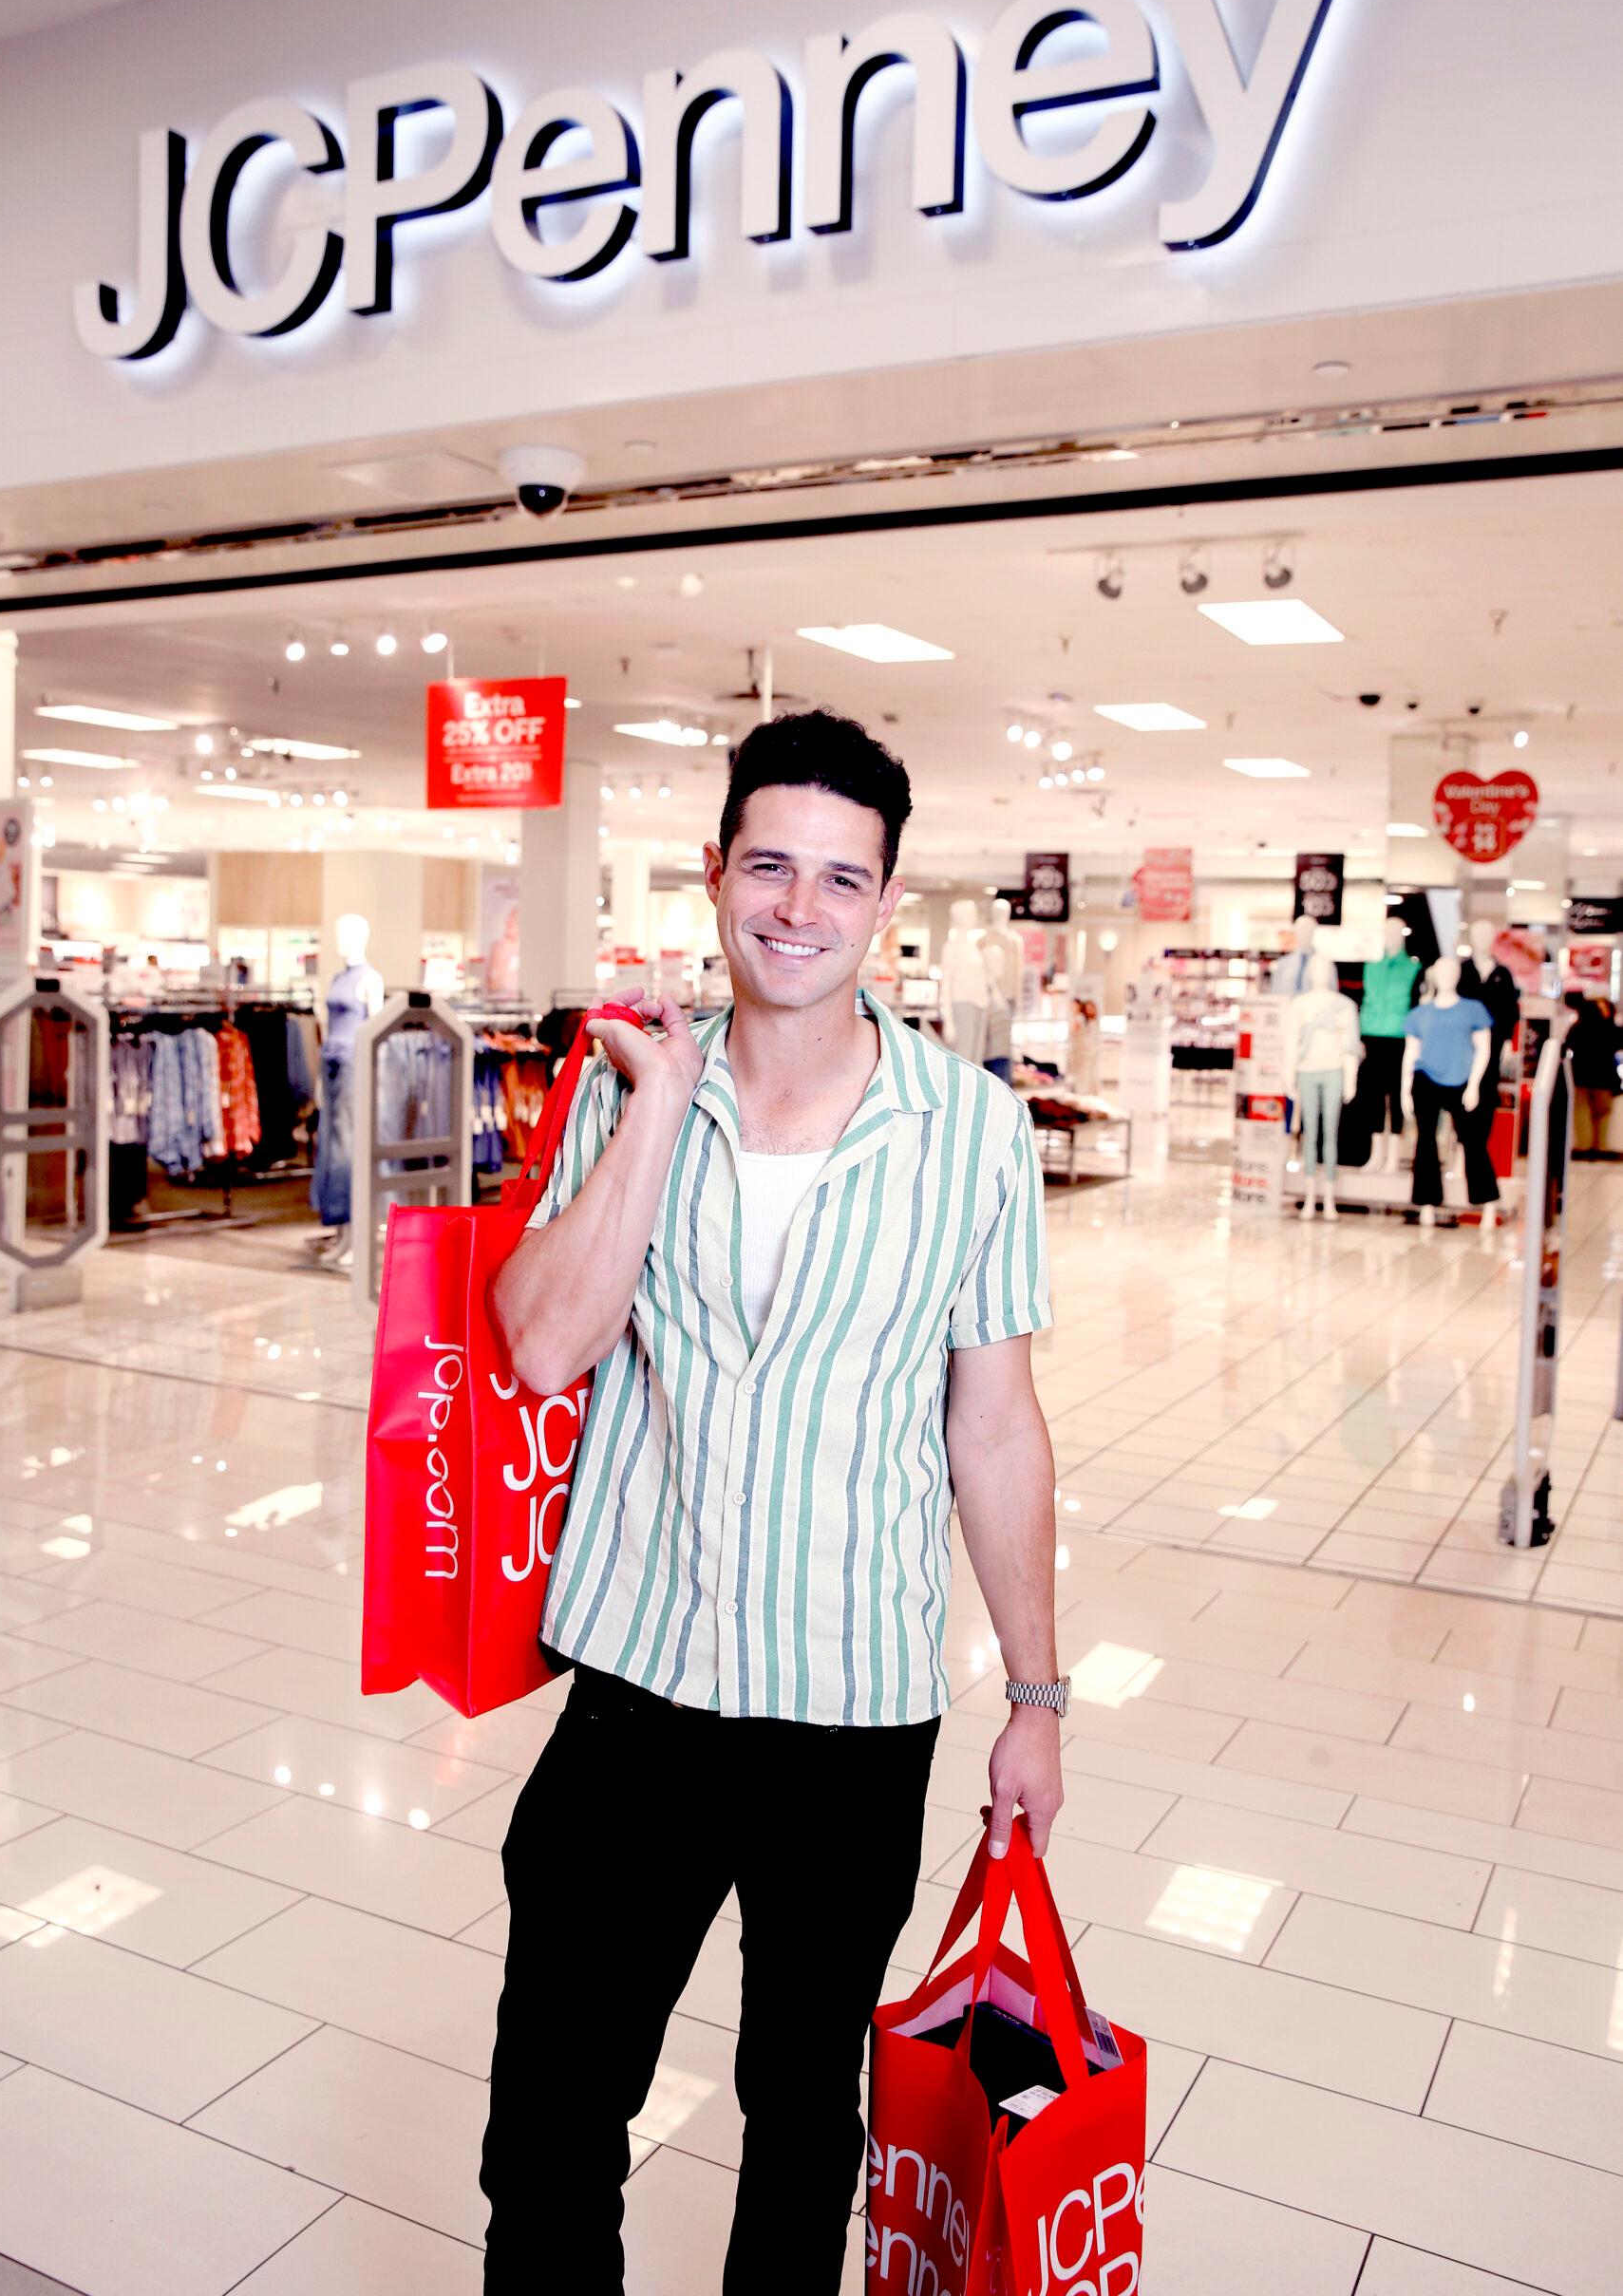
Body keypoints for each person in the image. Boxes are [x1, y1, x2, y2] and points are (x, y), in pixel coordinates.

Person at [483, 710, 1063, 2293]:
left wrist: (1035, 1696)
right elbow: (541, 1343)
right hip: (637, 1697)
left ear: (887, 902)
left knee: (801, 2112)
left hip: (851, 1716)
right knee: (548, 2118)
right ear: (715, 872)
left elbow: (996, 1427)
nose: (798, 909)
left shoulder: (974, 1133)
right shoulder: (626, 1089)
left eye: (839, 878)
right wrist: (661, 1106)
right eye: (769, 866)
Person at [1566, 991, 1620, 1157]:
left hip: (1581, 1076)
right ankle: (1600, 1146)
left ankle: (1584, 1146)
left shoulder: (1577, 1028)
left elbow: (1569, 1045)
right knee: (1603, 1113)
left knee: (1582, 1111)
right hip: (1604, 1077)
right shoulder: (1611, 1029)